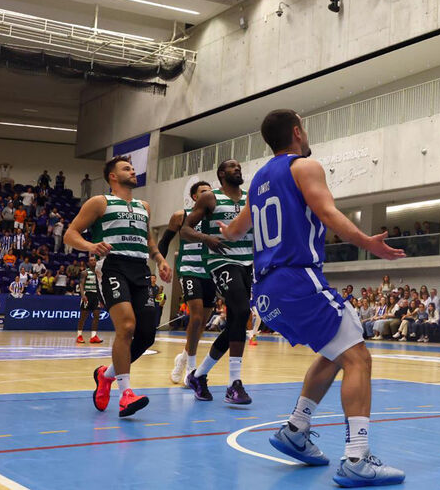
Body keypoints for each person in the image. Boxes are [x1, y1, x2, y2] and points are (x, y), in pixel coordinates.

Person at [218, 109, 405, 486]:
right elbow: (327, 211)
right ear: (297, 132)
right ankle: (357, 457)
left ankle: (296, 429)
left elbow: (235, 231)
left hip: (266, 289)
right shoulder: (304, 167)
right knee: (358, 358)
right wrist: (365, 242)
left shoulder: (257, 182)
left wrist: (223, 228)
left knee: (337, 350)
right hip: (297, 277)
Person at [65, 155, 172, 418]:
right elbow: (70, 234)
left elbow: (148, 240)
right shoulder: (100, 202)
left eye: (133, 168)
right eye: (127, 168)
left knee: (147, 335)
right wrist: (91, 246)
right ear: (113, 176)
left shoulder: (144, 206)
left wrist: (159, 260)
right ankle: (126, 394)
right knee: (126, 326)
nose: (133, 172)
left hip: (139, 269)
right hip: (112, 266)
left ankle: (106, 375)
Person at [180, 160, 255, 405]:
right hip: (222, 262)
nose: (238, 169)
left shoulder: (249, 198)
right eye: (233, 167)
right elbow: (185, 229)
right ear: (222, 173)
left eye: (239, 167)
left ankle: (198, 375)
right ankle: (234, 383)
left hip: (248, 263)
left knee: (236, 322)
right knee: (242, 312)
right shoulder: (210, 199)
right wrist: (206, 238)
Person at [158, 181, 216, 385]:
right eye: (203, 191)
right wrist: (161, 262)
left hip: (211, 271)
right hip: (189, 269)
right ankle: (192, 368)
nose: (208, 193)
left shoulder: (216, 216)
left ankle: (182, 358)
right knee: (197, 316)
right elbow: (164, 242)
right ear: (194, 197)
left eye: (210, 191)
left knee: (200, 325)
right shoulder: (180, 216)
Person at [77, 256, 104, 344]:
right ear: (88, 263)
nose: (92, 262)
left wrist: (102, 297)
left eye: (94, 260)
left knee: (96, 316)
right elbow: (81, 284)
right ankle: (79, 335)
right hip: (87, 295)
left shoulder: (99, 272)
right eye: (91, 260)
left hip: (97, 296)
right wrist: (83, 295)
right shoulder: (85, 272)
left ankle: (93, 336)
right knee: (83, 317)